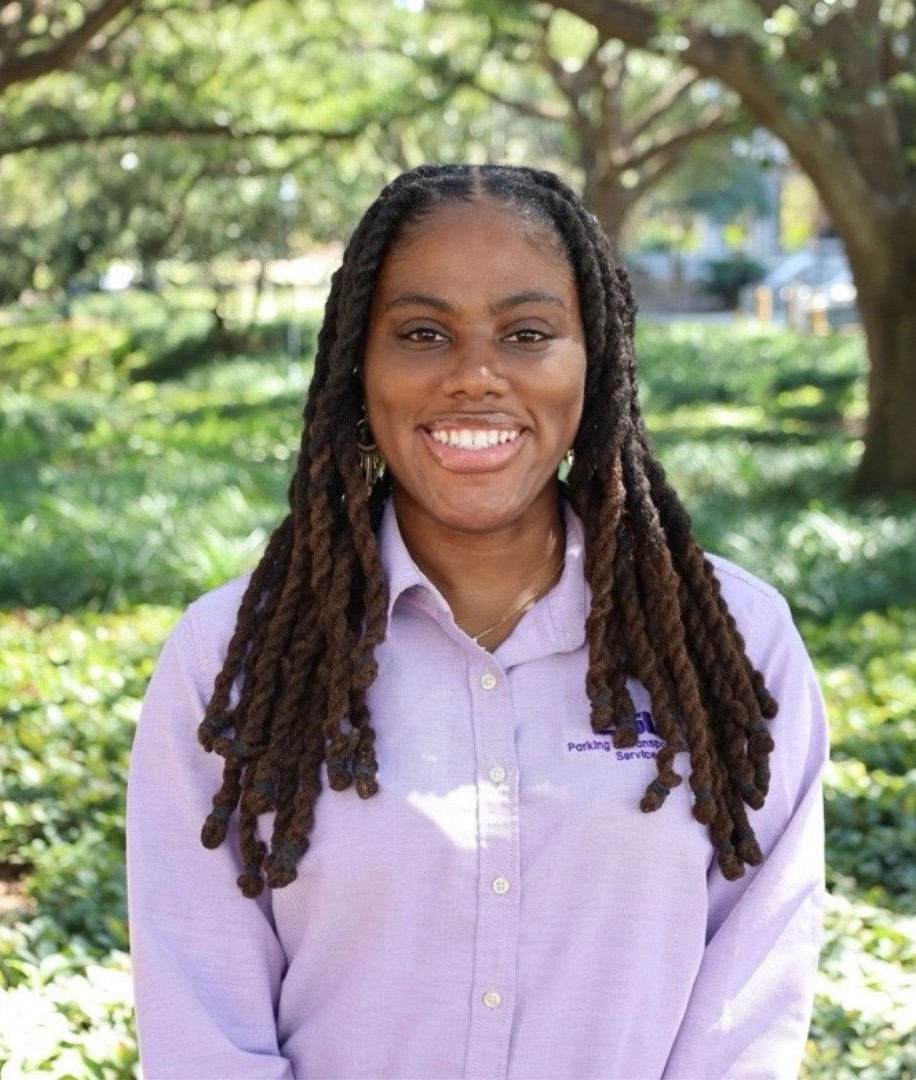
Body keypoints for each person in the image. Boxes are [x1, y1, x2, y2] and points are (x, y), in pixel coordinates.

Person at [126, 163, 828, 1080]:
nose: (474, 378)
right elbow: (203, 1021)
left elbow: (752, 1001)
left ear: (597, 361)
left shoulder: (735, 642)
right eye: (423, 333)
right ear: (356, 366)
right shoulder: (229, 660)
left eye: (527, 333)